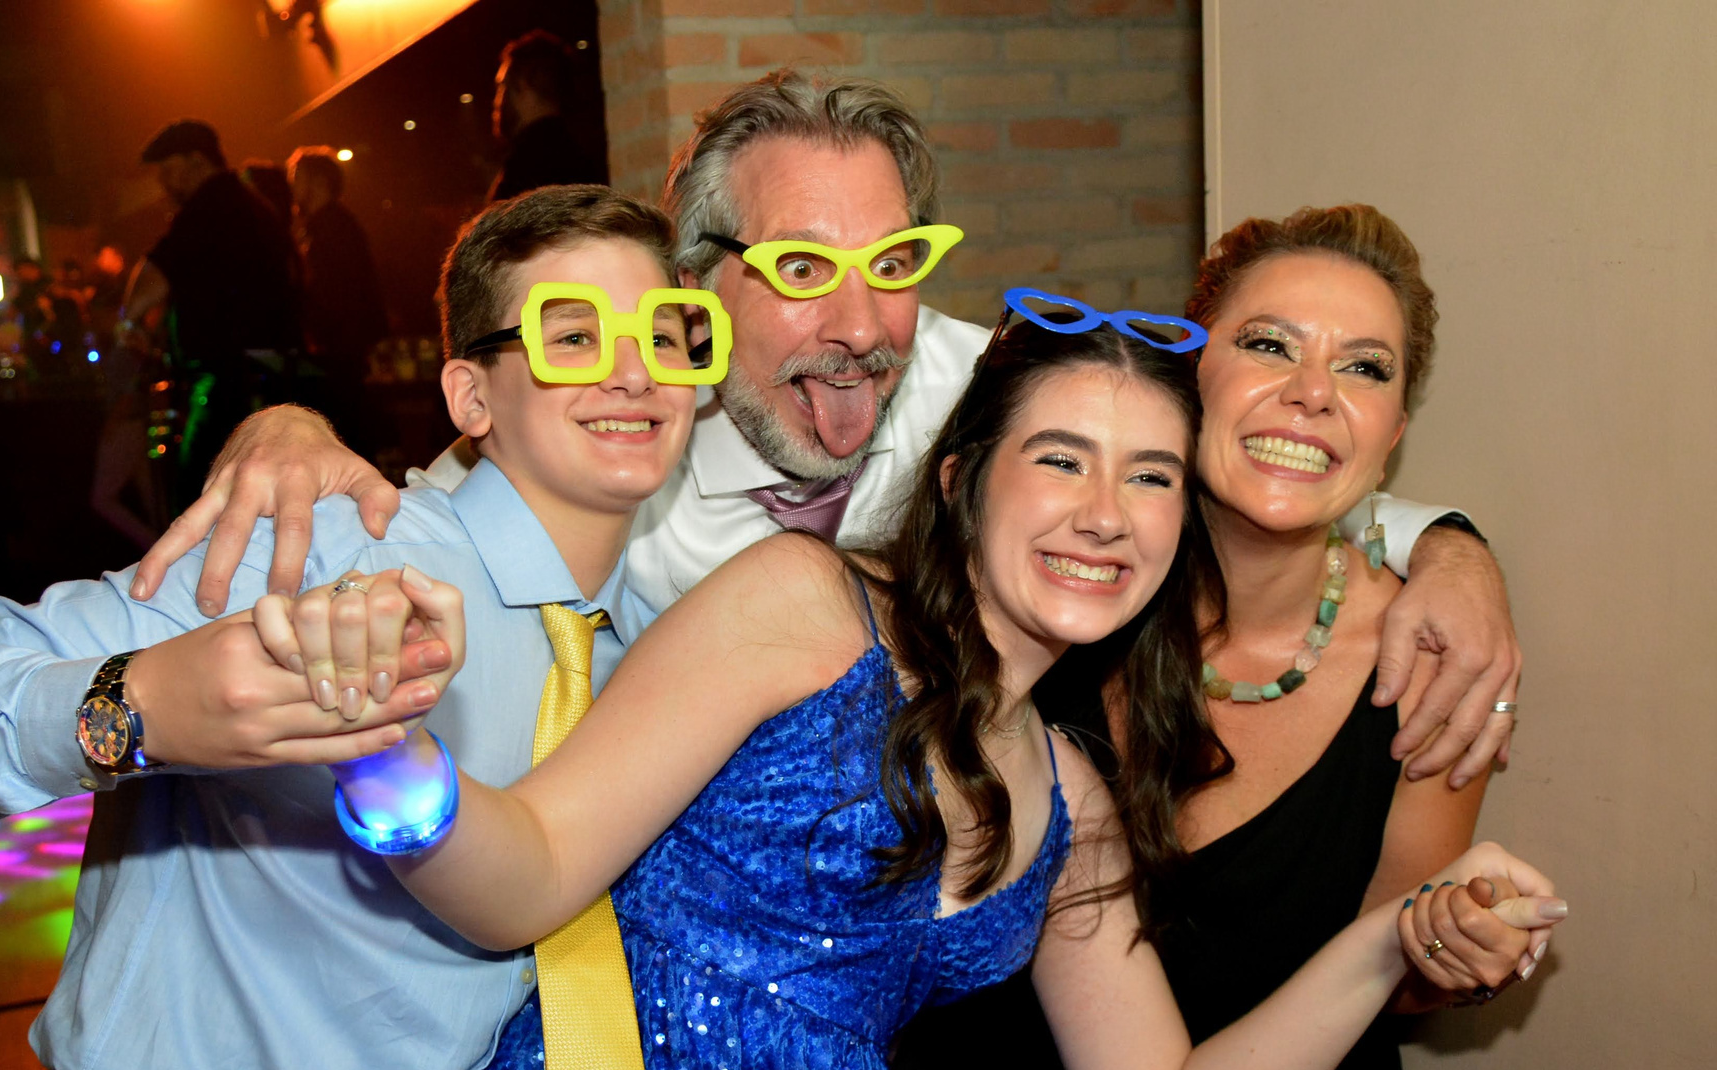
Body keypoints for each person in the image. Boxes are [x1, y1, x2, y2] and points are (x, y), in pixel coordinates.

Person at [269, 313, 1559, 1070]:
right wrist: (387, 762)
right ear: (962, 478)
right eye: (1062, 460)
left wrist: (1387, 940)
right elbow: (531, 875)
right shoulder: (807, 606)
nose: (1106, 515)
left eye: (1152, 476)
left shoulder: (1071, 799)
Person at [132, 71, 1523, 793]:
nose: (861, 325)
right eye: (801, 270)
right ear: (696, 288)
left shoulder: (978, 385)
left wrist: (1452, 550)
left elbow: (1225, 463)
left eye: (894, 266)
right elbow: (441, 503)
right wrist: (292, 429)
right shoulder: (622, 434)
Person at [0, 185, 708, 1070]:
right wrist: (144, 708)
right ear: (471, 393)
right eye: (574, 336)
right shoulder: (326, 549)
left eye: (665, 335)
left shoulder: (648, 649)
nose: (634, 372)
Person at [897, 207, 1539, 1070]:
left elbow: (1400, 977)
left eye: (1364, 368)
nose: (1313, 393)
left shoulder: (1432, 660)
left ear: (1393, 433)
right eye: (1269, 344)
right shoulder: (1066, 586)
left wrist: (1453, 947)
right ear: (1190, 378)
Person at [121, 119, 300, 509]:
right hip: (266, 376)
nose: (164, 184)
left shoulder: (210, 206)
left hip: (231, 381)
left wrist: (129, 322)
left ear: (197, 162)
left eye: (169, 171)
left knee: (202, 499)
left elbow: (157, 274)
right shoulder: (249, 205)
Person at [290, 145, 389, 456]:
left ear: (319, 182)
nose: (292, 189)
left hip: (337, 356)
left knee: (343, 439)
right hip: (340, 354)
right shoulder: (333, 226)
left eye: (298, 179)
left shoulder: (331, 230)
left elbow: (336, 297)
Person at [488, 30, 605, 202]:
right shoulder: (580, 160)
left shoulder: (525, 166)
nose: (496, 101)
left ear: (523, 86)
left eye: (502, 87)